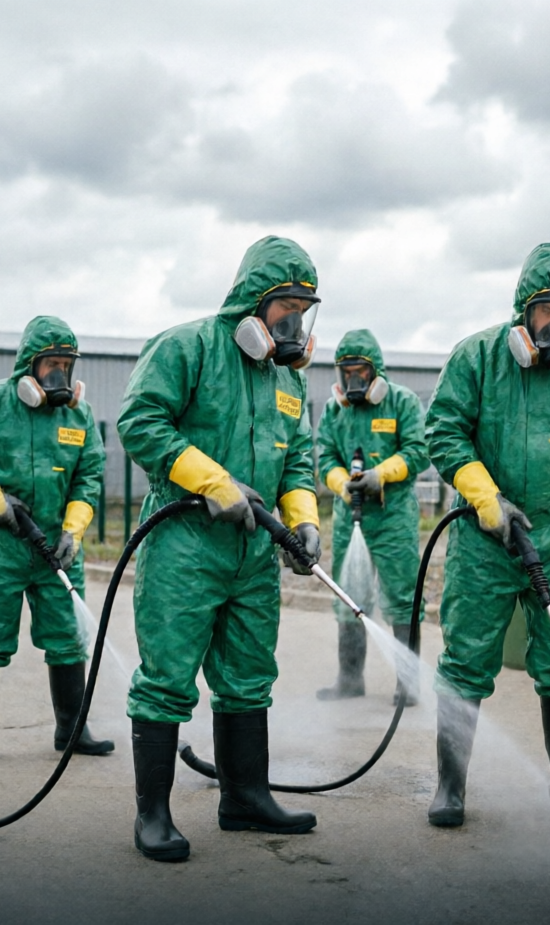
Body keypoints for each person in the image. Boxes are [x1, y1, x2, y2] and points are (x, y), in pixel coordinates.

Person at [116, 235, 325, 862]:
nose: (293, 322)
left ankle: (244, 797)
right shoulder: (189, 348)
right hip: (186, 545)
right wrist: (214, 482)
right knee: (166, 679)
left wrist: (303, 520)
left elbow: (299, 460)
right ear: (253, 303)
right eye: (284, 306)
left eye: (303, 310)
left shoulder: (287, 381)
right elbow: (140, 420)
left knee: (249, 679)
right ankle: (152, 817)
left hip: (253, 555)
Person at [423, 242, 550, 828]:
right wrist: (489, 501)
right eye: (549, 311)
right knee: (465, 660)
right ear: (524, 312)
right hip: (485, 535)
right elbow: (445, 433)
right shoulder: (478, 358)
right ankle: (450, 788)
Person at [0, 315, 113, 767]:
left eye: (66, 364)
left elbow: (88, 476)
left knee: (69, 637)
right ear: (27, 367)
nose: (58, 374)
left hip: (56, 548)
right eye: (50, 363)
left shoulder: (79, 414)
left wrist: (73, 529)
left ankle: (71, 728)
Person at [313, 329, 430, 704]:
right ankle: (350, 680)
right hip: (351, 518)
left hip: (392, 516)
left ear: (375, 371)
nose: (353, 380)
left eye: (360, 371)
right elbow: (325, 456)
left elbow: (418, 450)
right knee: (349, 597)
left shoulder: (402, 403)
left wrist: (382, 475)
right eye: (346, 372)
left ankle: (407, 685)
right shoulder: (335, 412)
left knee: (402, 598)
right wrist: (341, 483)